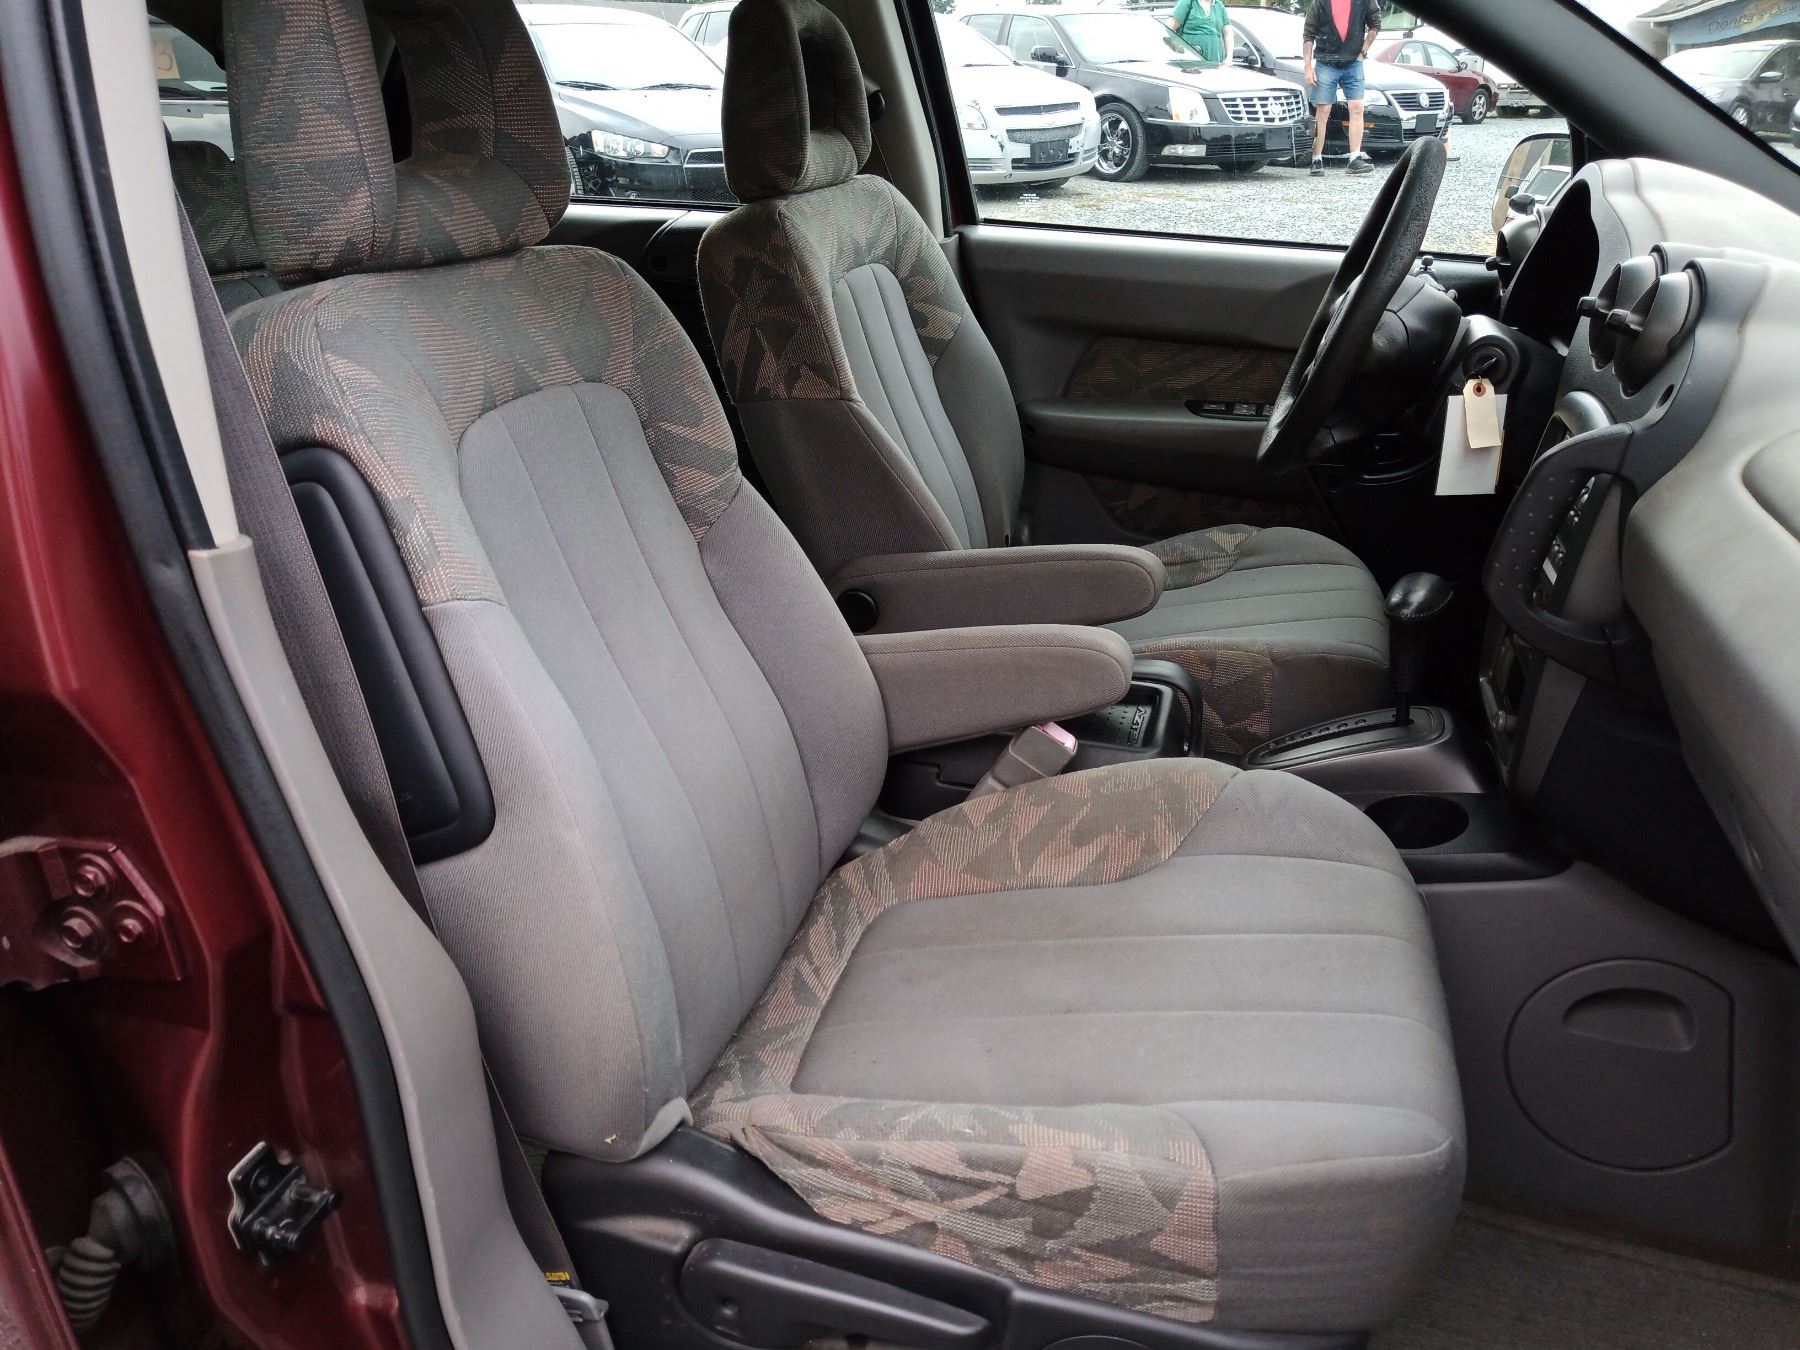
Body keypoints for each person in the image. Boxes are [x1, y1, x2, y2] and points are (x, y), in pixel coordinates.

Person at [1302, 0, 1384, 177]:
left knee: (1357, 108)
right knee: (1323, 111)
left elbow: (1375, 23)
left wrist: (1364, 50)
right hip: (1325, 62)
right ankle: (1316, 158)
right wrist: (1307, 67)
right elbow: (1309, 34)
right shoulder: (1320, 2)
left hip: (1354, 62)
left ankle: (1355, 159)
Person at [1168, 0, 1232, 65]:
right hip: (1190, 65)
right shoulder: (1187, 2)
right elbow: (1168, 30)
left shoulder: (1218, 5)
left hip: (1216, 64)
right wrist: (1178, 51)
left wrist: (1229, 58)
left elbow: (1228, 33)